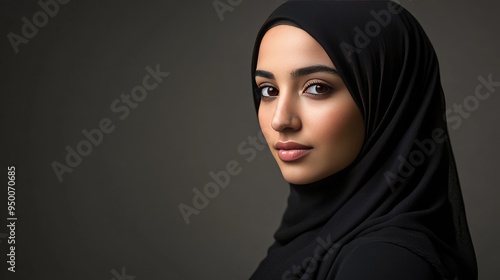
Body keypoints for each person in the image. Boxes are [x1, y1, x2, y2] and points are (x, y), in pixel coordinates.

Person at [249, 1, 478, 279]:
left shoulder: (383, 261)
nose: (280, 120)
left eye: (317, 87)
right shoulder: (309, 236)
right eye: (269, 90)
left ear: (388, 99)